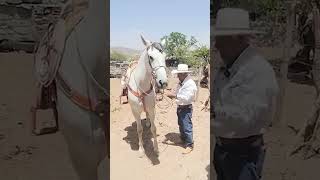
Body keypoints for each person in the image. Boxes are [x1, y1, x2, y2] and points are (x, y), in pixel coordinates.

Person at [211, 8, 279, 180]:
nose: (216, 45)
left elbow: (242, 119)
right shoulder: (226, 68)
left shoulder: (258, 71)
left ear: (236, 39)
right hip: (223, 150)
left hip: (242, 156)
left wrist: (211, 118)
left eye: (220, 39)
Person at [165, 64, 198, 154]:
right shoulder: (182, 83)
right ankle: (184, 139)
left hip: (186, 107)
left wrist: (173, 95)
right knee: (181, 124)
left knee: (186, 126)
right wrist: (172, 93)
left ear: (183, 74)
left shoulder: (190, 84)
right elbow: (178, 93)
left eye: (179, 74)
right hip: (181, 107)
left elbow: (187, 98)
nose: (177, 76)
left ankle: (189, 145)